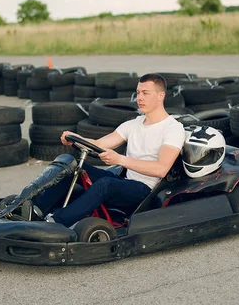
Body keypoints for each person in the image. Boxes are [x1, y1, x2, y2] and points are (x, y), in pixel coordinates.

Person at [26, 73, 186, 227]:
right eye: (138, 93)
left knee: (105, 184)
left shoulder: (172, 129)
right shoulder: (133, 124)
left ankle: (56, 223)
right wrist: (76, 138)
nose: (140, 98)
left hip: (146, 190)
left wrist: (120, 160)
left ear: (160, 96)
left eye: (145, 93)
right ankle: (36, 211)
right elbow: (99, 144)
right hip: (125, 181)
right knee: (73, 166)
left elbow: (161, 169)